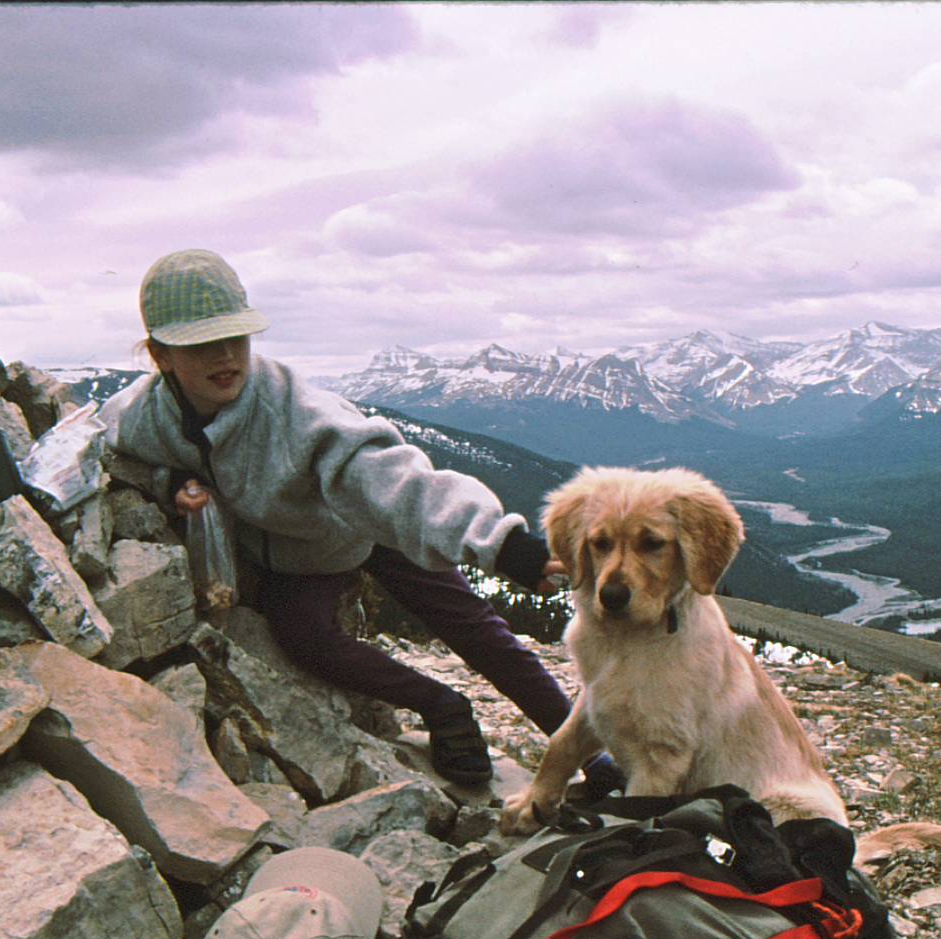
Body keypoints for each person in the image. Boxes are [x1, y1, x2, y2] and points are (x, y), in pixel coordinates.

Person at [102, 248, 616, 791]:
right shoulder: (144, 417)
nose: (227, 356)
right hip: (299, 551)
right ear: (161, 356)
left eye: (237, 338)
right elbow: (110, 446)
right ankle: (441, 705)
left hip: (371, 524)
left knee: (478, 633)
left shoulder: (293, 412)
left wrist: (499, 543)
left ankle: (593, 760)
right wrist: (170, 485)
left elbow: (391, 477)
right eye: (203, 344)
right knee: (304, 638)